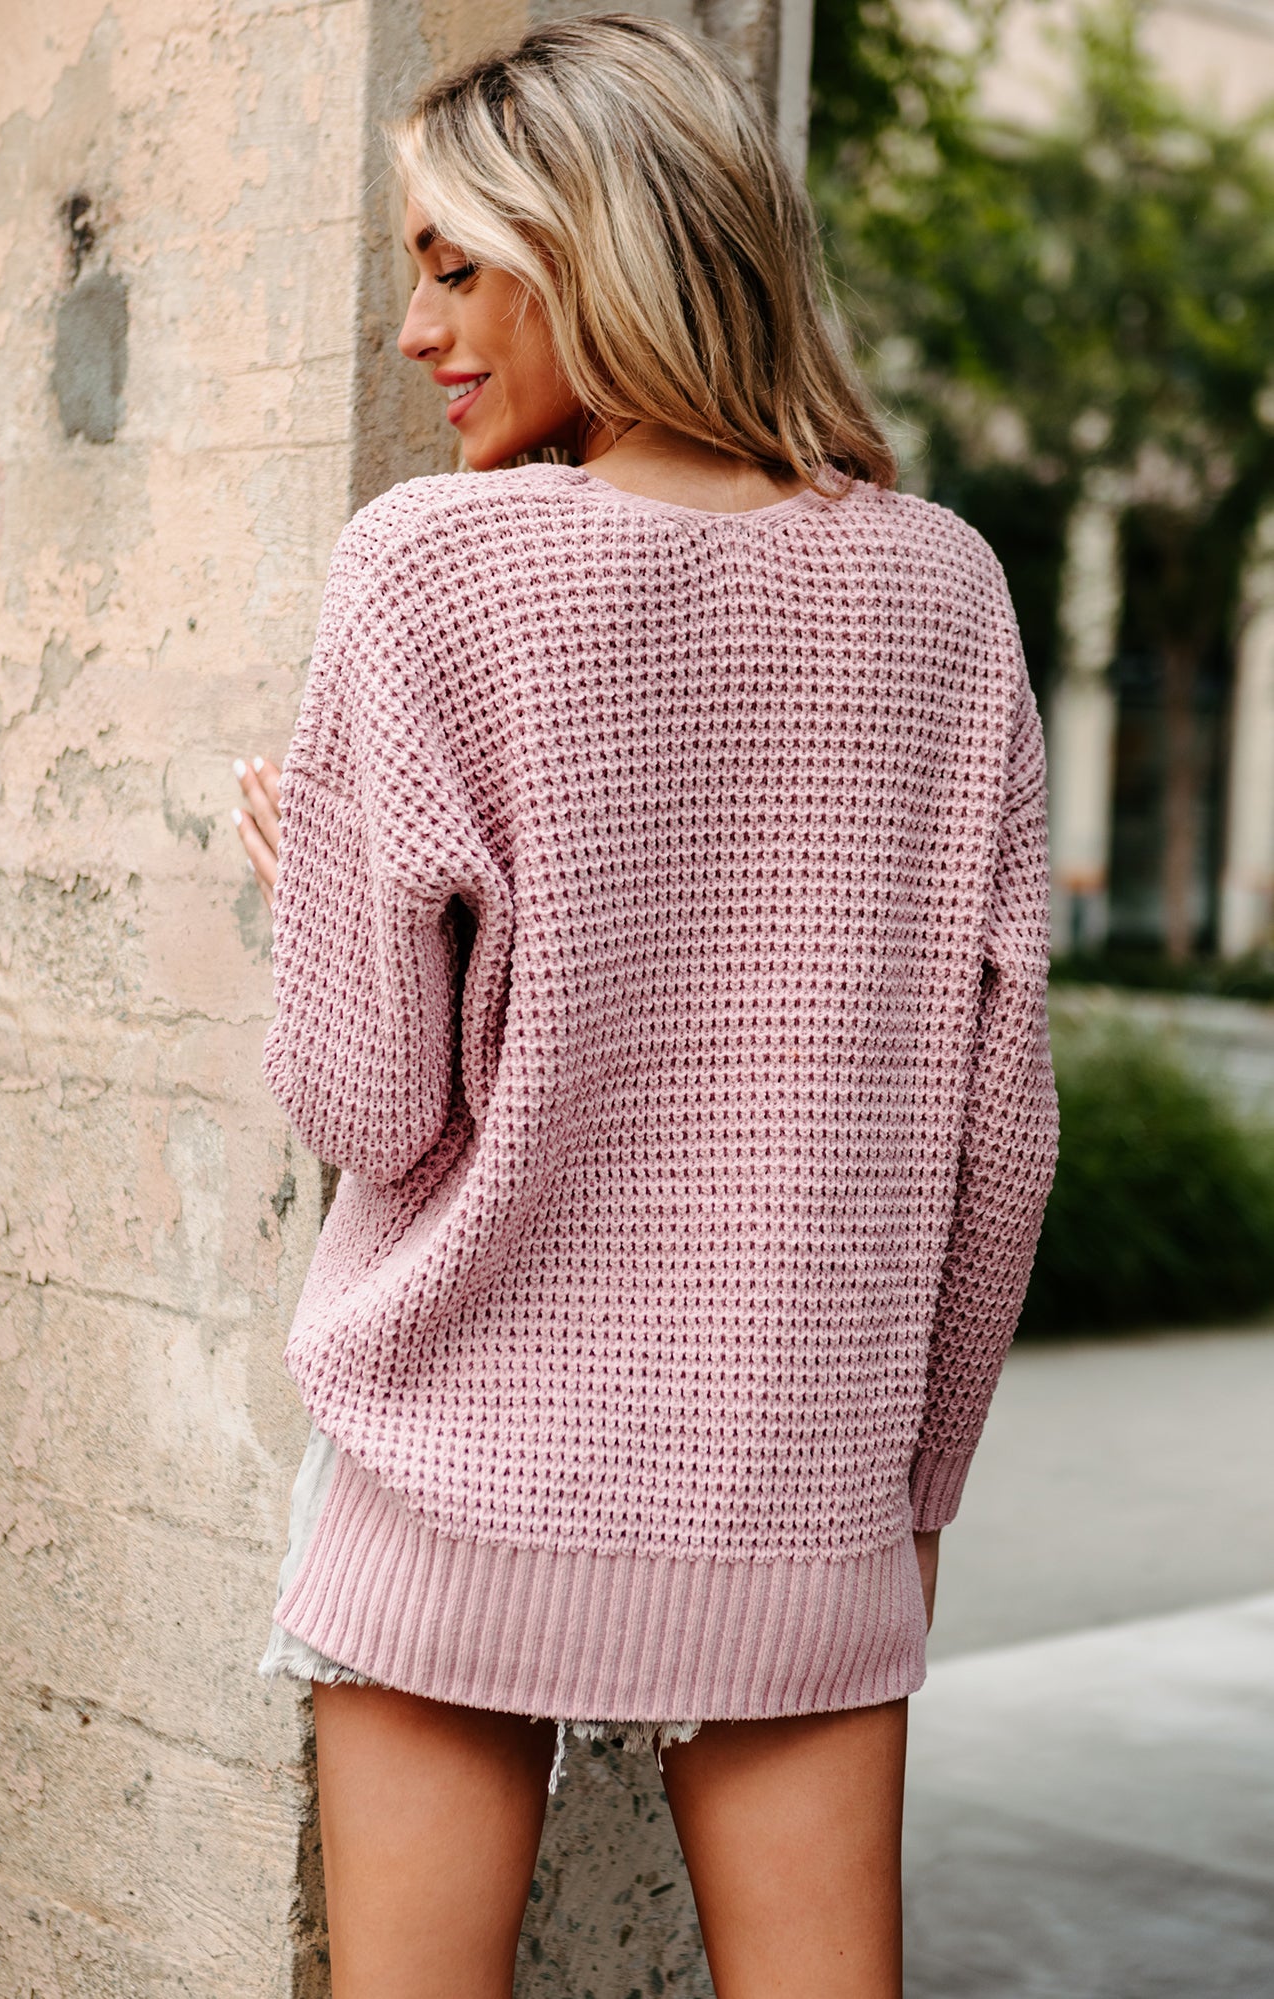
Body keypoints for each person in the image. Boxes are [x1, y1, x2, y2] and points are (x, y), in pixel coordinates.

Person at [230, 14, 1059, 1997]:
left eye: (456, 267)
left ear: (595, 248)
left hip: (454, 1466)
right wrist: (912, 1500)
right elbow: (1001, 1130)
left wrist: (316, 881)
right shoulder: (945, 595)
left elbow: (368, 1107)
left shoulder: (428, 570)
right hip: (798, 1480)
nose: (416, 330)